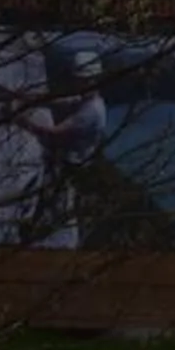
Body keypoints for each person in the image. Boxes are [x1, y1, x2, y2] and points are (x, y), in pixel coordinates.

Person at [17, 46, 110, 246]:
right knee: (51, 193)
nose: (76, 83)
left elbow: (54, 131)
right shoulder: (90, 100)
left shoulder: (90, 112)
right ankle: (36, 223)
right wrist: (26, 98)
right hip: (75, 159)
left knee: (54, 197)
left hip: (71, 162)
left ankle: (36, 231)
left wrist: (22, 121)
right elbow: (60, 102)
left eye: (80, 80)